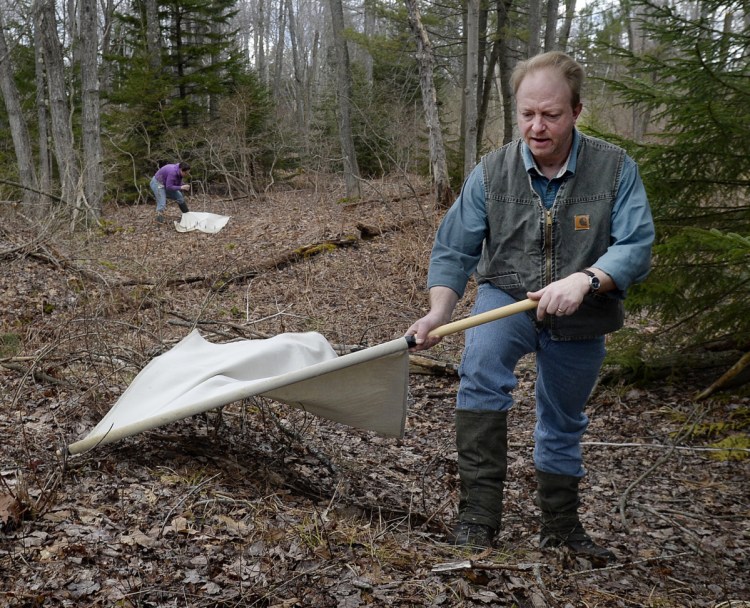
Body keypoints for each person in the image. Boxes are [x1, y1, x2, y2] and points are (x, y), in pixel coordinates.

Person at [406, 51, 654, 564]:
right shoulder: (492, 172)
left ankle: (561, 528)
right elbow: (454, 250)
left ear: (577, 112)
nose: (537, 127)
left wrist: (588, 280)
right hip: (506, 295)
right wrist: (437, 314)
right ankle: (478, 516)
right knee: (480, 368)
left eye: (552, 114)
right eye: (527, 114)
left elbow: (635, 245)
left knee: (563, 418)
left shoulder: (615, 169)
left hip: (582, 309)